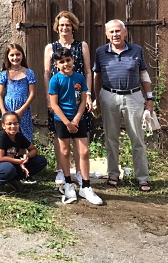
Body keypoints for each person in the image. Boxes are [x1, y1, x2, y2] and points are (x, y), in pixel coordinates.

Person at [93, 19, 153, 192]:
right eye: (111, 32)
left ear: (125, 32)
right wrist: (97, 98)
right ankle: (113, 174)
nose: (115, 34)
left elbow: (144, 75)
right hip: (109, 96)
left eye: (118, 31)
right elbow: (97, 76)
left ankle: (142, 178)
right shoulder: (100, 52)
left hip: (134, 97)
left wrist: (149, 99)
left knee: (137, 139)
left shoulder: (136, 50)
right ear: (107, 35)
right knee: (111, 138)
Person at [44, 11, 93, 188]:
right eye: (62, 25)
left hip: (79, 96)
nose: (65, 28)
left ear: (73, 26)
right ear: (58, 27)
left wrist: (88, 95)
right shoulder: (50, 47)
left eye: (68, 24)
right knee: (61, 136)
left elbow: (88, 71)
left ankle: (80, 173)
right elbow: (46, 73)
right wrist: (49, 100)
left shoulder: (82, 46)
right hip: (59, 97)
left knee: (80, 135)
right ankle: (60, 170)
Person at [49, 48, 103, 205]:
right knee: (65, 152)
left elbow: (83, 101)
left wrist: (77, 119)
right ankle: (68, 183)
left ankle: (86, 186)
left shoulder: (79, 77)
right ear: (56, 64)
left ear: (73, 60)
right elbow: (54, 104)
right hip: (62, 120)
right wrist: (67, 123)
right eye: (62, 61)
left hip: (78, 119)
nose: (66, 64)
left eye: (68, 60)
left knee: (84, 151)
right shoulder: (55, 80)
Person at [0, 112, 47, 195]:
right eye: (9, 124)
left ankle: (14, 179)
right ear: (3, 125)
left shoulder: (19, 136)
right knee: (8, 168)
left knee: (41, 160)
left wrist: (26, 156)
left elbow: (34, 149)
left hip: (14, 162)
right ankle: (0, 183)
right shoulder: (1, 136)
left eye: (16, 124)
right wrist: (20, 162)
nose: (13, 127)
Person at [0, 44, 36, 142]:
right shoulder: (4, 74)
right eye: (12, 55)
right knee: (10, 137)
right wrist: (3, 112)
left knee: (23, 138)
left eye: (18, 54)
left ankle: (22, 156)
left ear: (22, 55)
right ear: (7, 57)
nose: (15, 57)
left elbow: (32, 94)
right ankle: (10, 157)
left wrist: (22, 110)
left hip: (24, 111)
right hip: (8, 109)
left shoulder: (29, 73)